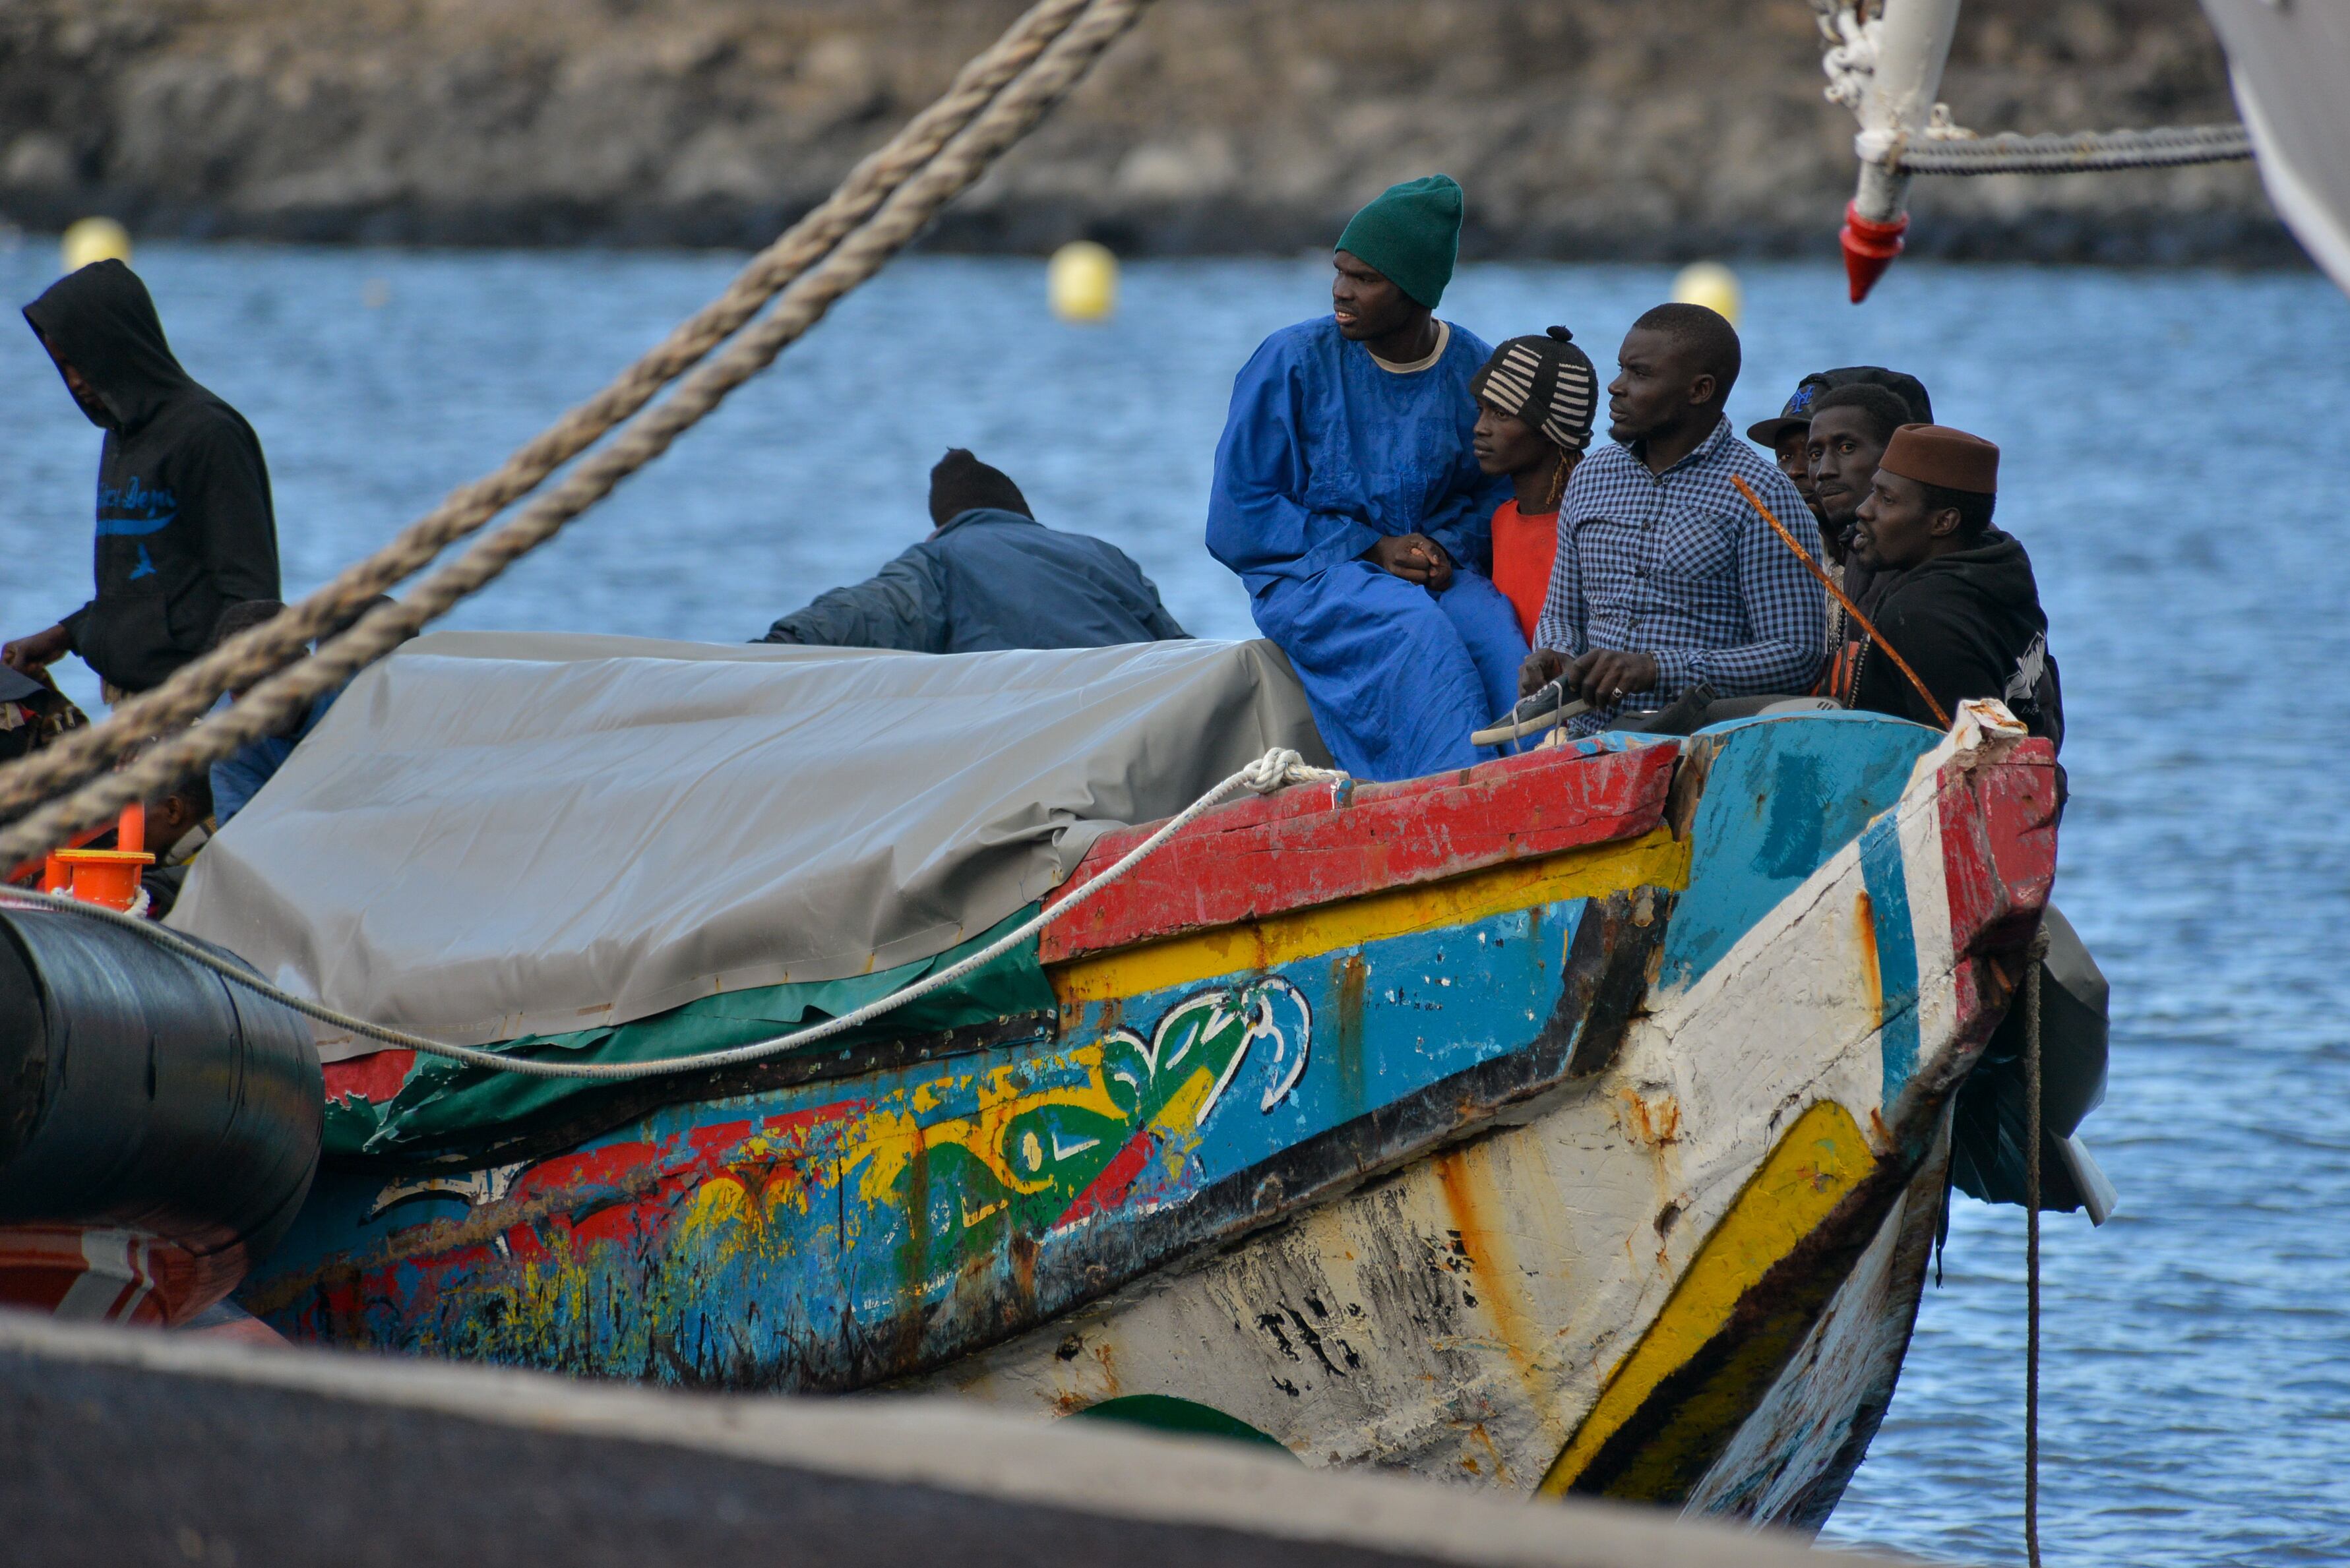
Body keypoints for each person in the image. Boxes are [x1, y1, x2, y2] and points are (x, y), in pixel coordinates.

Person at [1206, 174, 1525, 781]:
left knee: (1494, 636)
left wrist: (1444, 549)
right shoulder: (1291, 360)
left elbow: (1494, 491)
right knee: (1414, 634)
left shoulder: (1473, 369)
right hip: (1310, 575)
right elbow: (1237, 514)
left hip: (1433, 571)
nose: (1340, 292)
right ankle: (1452, 801)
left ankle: (1549, 792)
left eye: (1365, 279)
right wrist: (1372, 548)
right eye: (1340, 271)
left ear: (1417, 292)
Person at [1522, 305, 1825, 732]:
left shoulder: (1762, 495)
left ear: (1699, 390)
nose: (1615, 387)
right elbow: (1561, 614)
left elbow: (1797, 655)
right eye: (1620, 369)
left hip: (1702, 749)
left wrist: (1656, 669)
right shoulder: (1590, 477)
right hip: (1589, 743)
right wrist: (1553, 654)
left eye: (1639, 375)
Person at [3, 260, 280, 701]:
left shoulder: (209, 434)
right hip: (132, 709)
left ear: (120, 348)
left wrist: (185, 720)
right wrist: (62, 637)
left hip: (192, 716)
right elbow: (140, 590)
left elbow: (252, 603)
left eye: (83, 363)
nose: (75, 382)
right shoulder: (119, 434)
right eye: (63, 366)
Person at [760, 450, 1187, 652]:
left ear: (941, 526)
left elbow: (864, 612)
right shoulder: (1104, 555)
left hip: (1048, 737)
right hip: (1141, 718)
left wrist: (774, 645)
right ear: (1023, 515)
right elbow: (1179, 649)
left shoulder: (939, 559)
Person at [1840, 424, 2062, 746]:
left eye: (1887, 500)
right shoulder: (2000, 570)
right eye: (1874, 491)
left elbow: (1967, 762)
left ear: (1944, 522)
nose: (1864, 509)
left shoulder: (1923, 617)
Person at [1471, 327, 1599, 641]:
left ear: (1552, 432)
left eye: (1501, 414)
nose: (1479, 428)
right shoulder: (1502, 519)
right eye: (1481, 410)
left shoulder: (1590, 532)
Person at [1745, 364, 1933, 543]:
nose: (1794, 472)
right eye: (1786, 457)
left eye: (1845, 448)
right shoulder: (1782, 550)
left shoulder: (1920, 567)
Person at [1804, 382, 1915, 646]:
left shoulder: (1928, 553)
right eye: (1816, 454)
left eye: (1847, 448)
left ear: (1893, 453)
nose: (1823, 471)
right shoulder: (1858, 546)